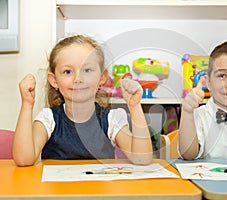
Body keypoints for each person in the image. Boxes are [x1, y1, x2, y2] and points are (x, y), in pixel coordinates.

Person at [13, 34, 153, 166]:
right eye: (68, 72)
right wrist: (27, 105)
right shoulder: (48, 119)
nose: (78, 79)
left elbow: (142, 158)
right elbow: (24, 160)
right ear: (54, 80)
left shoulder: (112, 119)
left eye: (87, 70)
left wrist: (135, 106)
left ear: (102, 77)